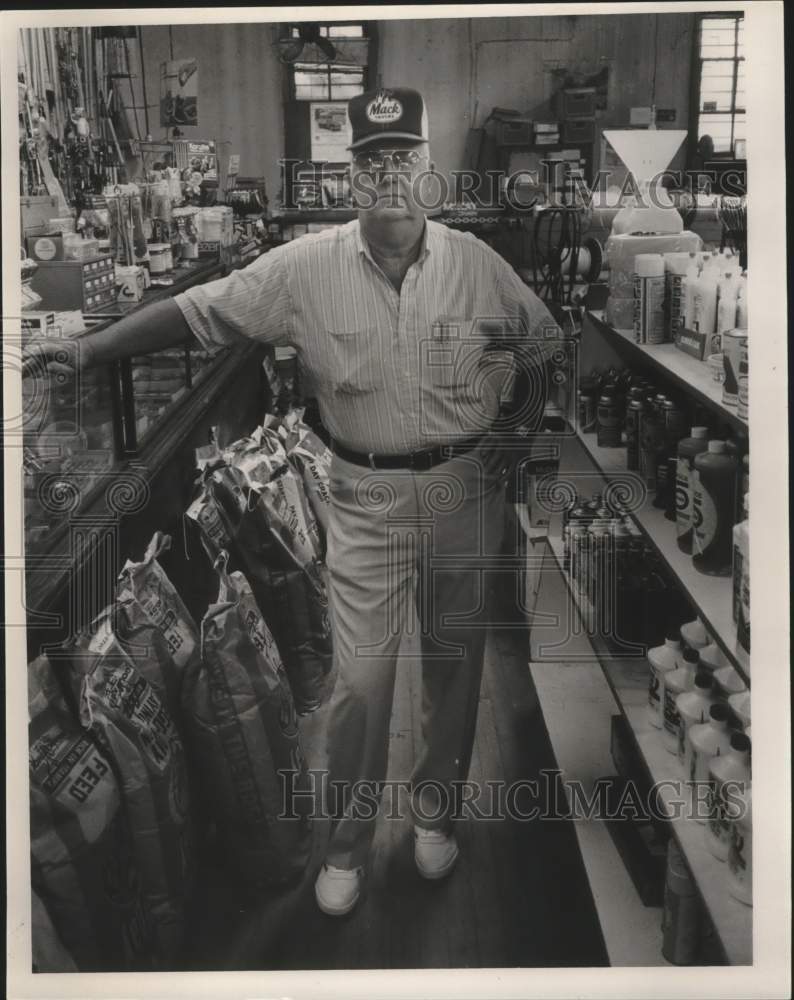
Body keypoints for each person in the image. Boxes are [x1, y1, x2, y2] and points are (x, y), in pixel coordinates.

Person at [24, 87, 562, 917]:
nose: (389, 176)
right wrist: (92, 348)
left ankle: (434, 815)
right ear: (350, 178)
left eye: (404, 159)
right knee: (361, 679)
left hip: (466, 491)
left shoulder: (476, 264)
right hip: (364, 494)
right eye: (372, 161)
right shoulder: (303, 270)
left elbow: (542, 345)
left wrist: (517, 447)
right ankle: (344, 843)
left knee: (455, 666)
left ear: (429, 173)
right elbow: (198, 310)